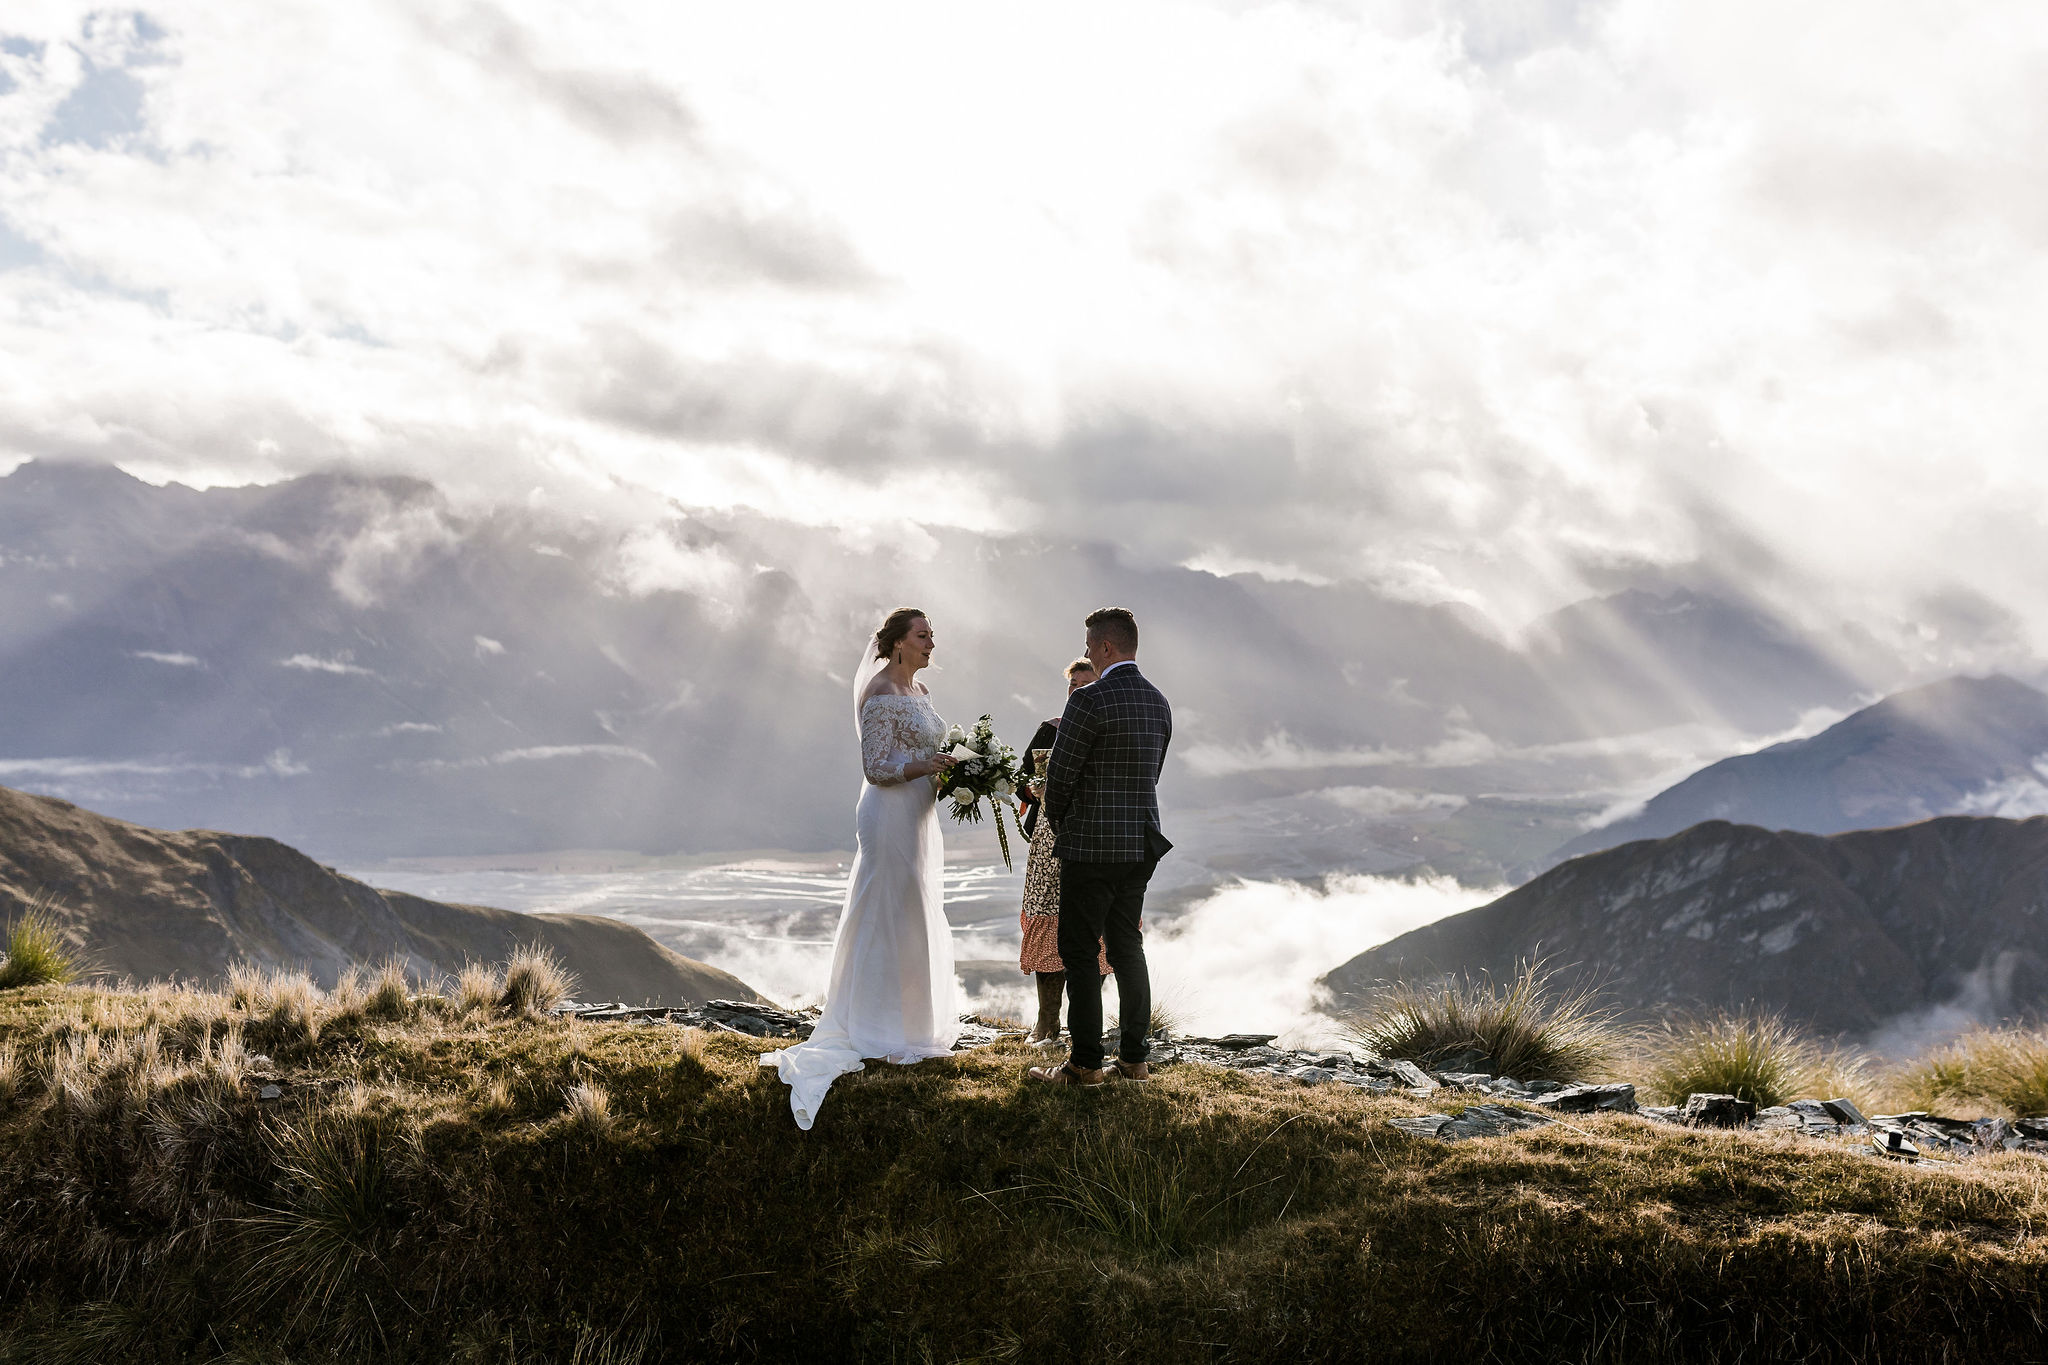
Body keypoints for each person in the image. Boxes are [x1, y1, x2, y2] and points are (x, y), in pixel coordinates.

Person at [760, 608, 961, 1129]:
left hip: (916, 816)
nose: (931, 641)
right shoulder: (880, 694)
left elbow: (919, 751)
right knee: (886, 914)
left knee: (914, 914)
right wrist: (926, 767)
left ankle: (910, 1025)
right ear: (898, 643)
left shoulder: (919, 694)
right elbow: (876, 769)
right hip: (888, 816)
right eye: (923, 635)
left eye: (932, 634)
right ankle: (876, 1027)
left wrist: (956, 774)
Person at [1029, 607, 1173, 1087]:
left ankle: (1085, 1063)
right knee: (1127, 947)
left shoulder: (1088, 700)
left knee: (1078, 950)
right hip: (1140, 843)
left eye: (1091, 646)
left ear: (1107, 647)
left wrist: (1059, 823)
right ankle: (1134, 1059)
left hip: (1091, 845)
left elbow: (1061, 776)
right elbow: (1152, 772)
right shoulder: (1159, 701)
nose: (1088, 652)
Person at [1015, 657, 1110, 1048]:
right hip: (1048, 841)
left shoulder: (1108, 727)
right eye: (1073, 686)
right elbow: (1023, 779)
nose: (1078, 692)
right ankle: (1046, 1022)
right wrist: (1032, 790)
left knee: (1094, 925)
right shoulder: (1049, 730)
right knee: (1048, 920)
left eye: (1086, 685)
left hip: (1095, 836)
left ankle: (1084, 1022)